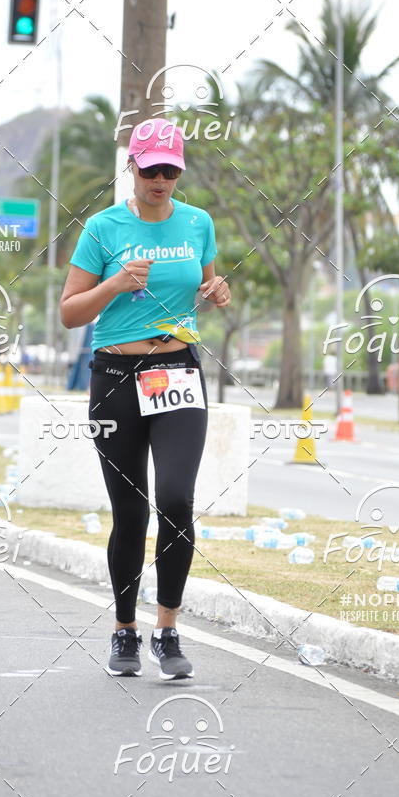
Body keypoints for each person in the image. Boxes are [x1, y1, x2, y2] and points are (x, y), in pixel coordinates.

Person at [61, 117, 231, 680]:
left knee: (176, 500)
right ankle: (124, 631)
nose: (161, 181)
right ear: (132, 167)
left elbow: (206, 286)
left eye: (171, 172)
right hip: (114, 376)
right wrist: (114, 283)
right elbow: (69, 313)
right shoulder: (103, 228)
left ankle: (168, 630)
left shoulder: (198, 222)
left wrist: (217, 290)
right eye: (151, 169)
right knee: (130, 512)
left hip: (176, 370)